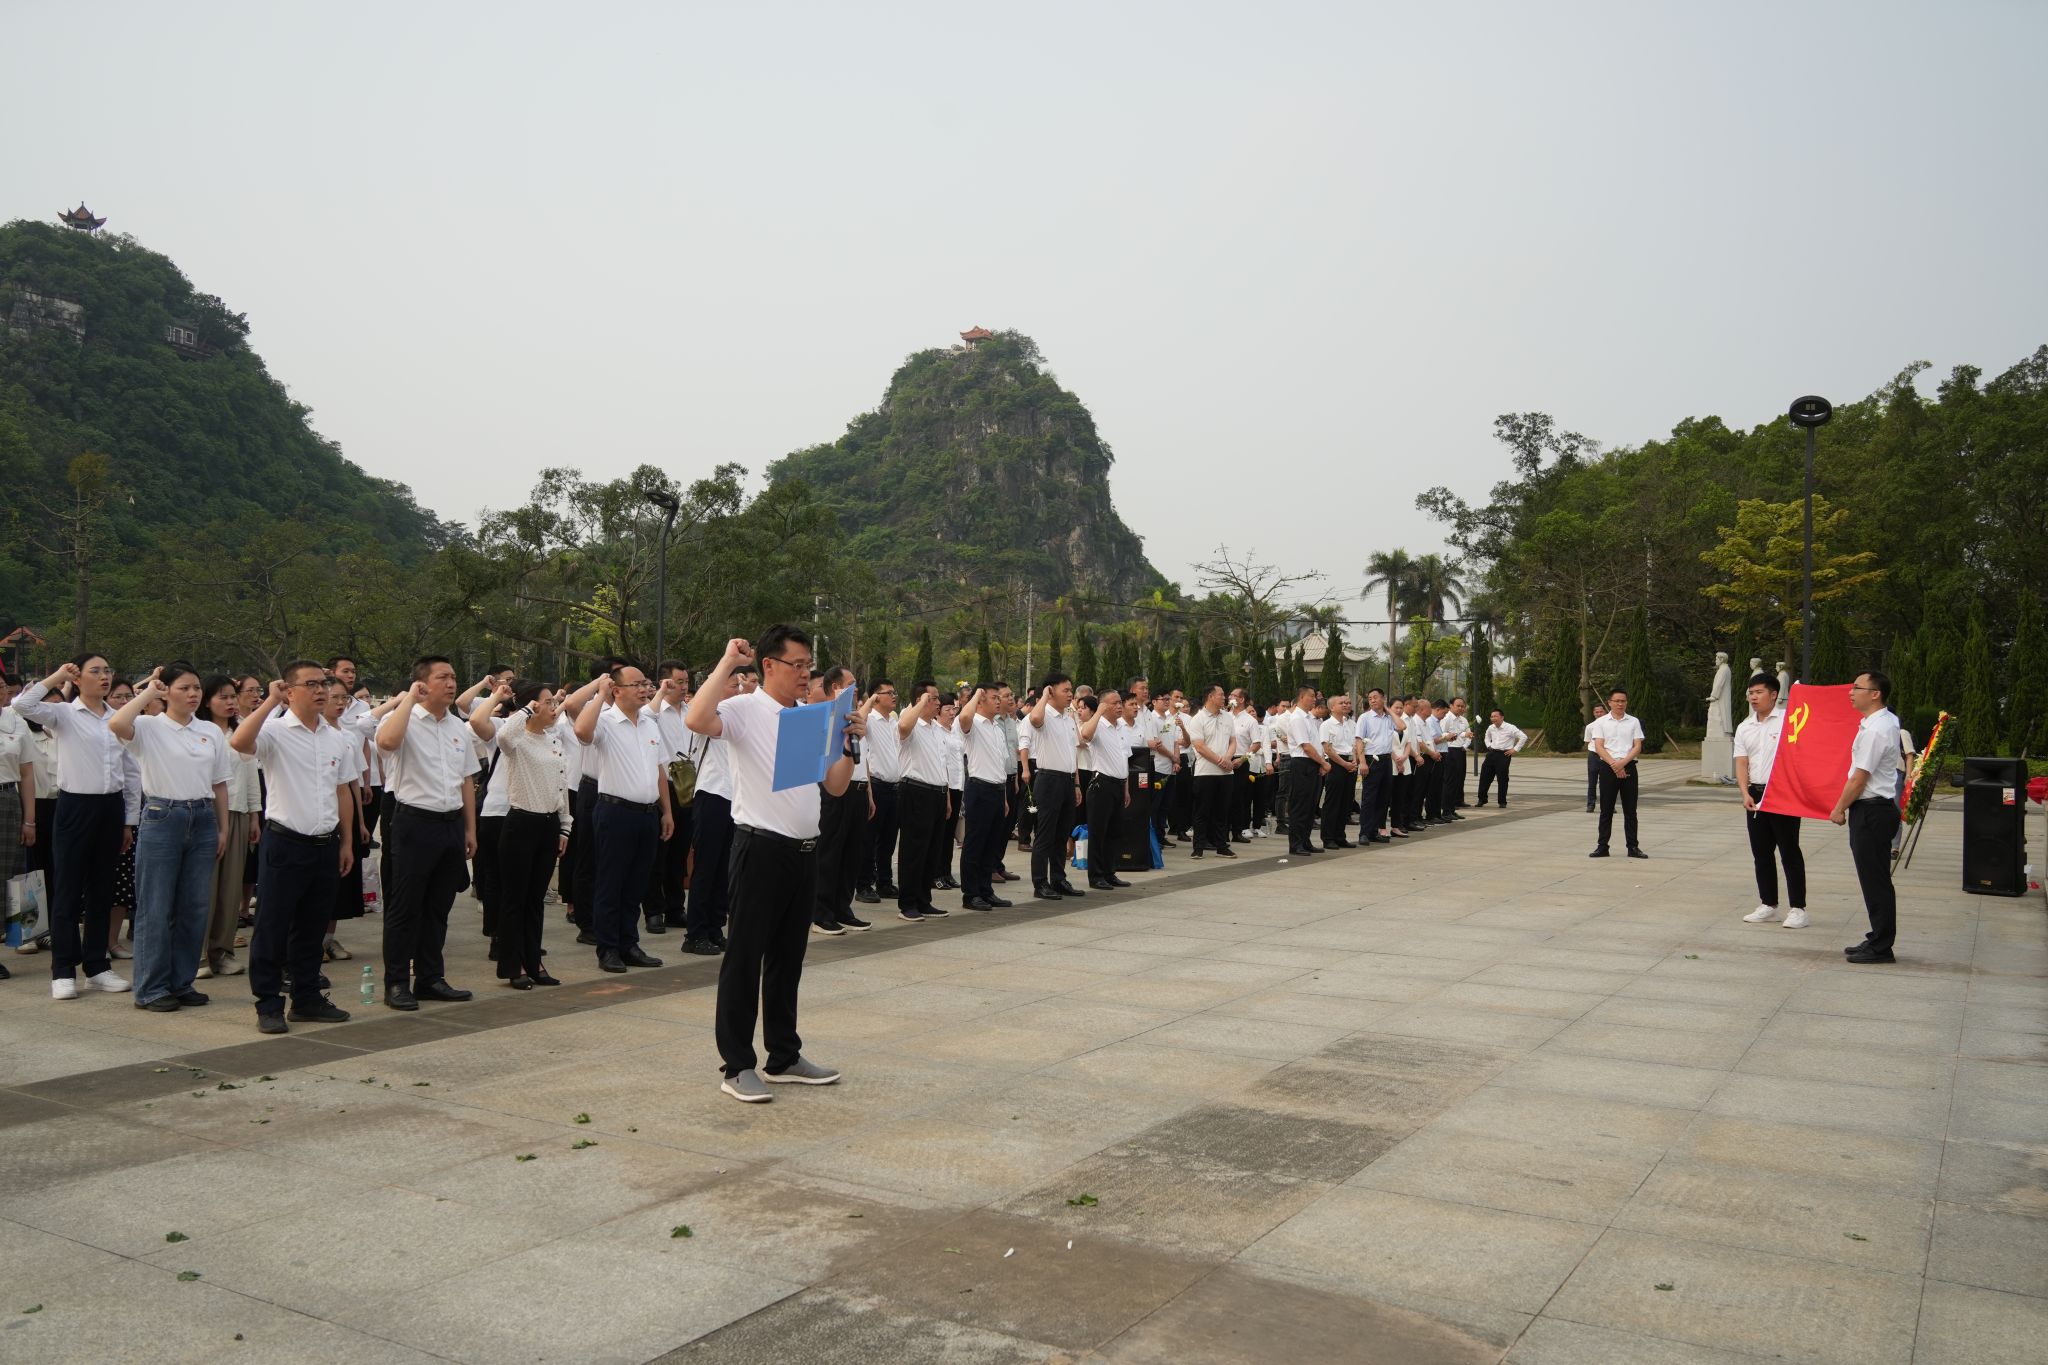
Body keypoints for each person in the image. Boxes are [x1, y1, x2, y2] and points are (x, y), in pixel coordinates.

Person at [687, 627, 864, 1104]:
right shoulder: (746, 709)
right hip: (759, 849)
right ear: (769, 665)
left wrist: (849, 745)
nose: (806, 674)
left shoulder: (808, 717)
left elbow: (835, 786)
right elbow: (696, 718)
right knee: (745, 958)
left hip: (803, 852)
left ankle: (783, 1055)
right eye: (797, 665)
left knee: (788, 960)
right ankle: (737, 1065)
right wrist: (728, 662)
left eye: (808, 665)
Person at [231, 664, 357, 1034]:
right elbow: (239, 743)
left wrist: (347, 841)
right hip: (285, 842)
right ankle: (268, 1003)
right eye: (311, 684)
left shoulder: (336, 737)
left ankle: (307, 998)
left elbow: (342, 791)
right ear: (290, 690)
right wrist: (270, 701)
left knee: (312, 927)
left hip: (325, 844)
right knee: (272, 926)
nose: (321, 690)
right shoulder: (274, 731)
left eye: (324, 684)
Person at [11, 656, 138, 1000]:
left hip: (111, 808)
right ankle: (63, 969)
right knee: (67, 888)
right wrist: (57, 676)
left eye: (108, 671)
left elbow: (131, 772)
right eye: (95, 671)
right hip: (75, 806)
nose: (104, 677)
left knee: (102, 889)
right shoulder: (64, 714)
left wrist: (129, 821)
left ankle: (96, 967)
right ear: (78, 679)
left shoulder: (118, 718)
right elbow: (22, 704)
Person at [108, 665, 231, 1012]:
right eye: (184, 688)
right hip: (162, 816)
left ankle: (181, 981)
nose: (193, 694)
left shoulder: (210, 730)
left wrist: (223, 829)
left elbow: (220, 783)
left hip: (203, 816)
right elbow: (116, 723)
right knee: (156, 906)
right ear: (167, 691)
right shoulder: (149, 726)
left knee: (194, 906)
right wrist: (150, 690)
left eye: (197, 688)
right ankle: (151, 988)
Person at [375, 655, 481, 1008]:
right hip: (414, 823)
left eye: (453, 677)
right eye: (442, 677)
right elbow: (386, 743)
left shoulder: (457, 727)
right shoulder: (401, 718)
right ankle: (396, 983)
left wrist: (470, 828)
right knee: (405, 908)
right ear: (422, 683)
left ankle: (430, 977)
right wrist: (409, 699)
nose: (451, 684)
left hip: (450, 823)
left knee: (438, 907)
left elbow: (466, 779)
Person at [572, 660, 674, 974]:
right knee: (611, 883)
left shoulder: (649, 724)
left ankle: (629, 944)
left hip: (647, 814)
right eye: (637, 684)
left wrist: (667, 811)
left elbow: (659, 770)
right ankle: (608, 948)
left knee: (636, 884)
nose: (645, 689)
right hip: (615, 812)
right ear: (616, 690)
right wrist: (600, 695)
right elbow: (581, 730)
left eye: (646, 684)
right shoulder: (605, 721)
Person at [471, 679, 571, 987]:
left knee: (535, 900)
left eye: (554, 702)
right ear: (533, 706)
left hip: (548, 823)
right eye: (548, 702)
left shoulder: (553, 741)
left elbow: (561, 785)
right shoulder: (516, 740)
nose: (554, 708)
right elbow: (503, 735)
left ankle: (533, 960)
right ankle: (513, 966)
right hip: (520, 823)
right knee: (514, 898)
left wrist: (565, 825)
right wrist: (526, 709)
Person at [1833, 670, 1903, 964]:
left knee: (1875, 880)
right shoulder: (1883, 721)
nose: (1851, 692)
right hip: (1877, 808)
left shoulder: (1876, 729)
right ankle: (1877, 937)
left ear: (1875, 694)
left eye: (1857, 688)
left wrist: (1839, 808)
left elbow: (1859, 778)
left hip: (1872, 810)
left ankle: (1881, 946)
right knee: (1875, 878)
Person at [1734, 673, 1807, 929]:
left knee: (1789, 851)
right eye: (1751, 693)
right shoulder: (1745, 726)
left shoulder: (1789, 721)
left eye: (1759, 692)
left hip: (1783, 793)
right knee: (1761, 852)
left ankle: (1798, 908)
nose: (1753, 697)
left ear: (1774, 694)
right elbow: (1741, 762)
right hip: (1755, 793)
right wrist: (1745, 793)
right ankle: (1769, 904)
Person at [810, 667, 873, 934]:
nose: (856, 688)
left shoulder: (855, 718)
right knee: (830, 852)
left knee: (852, 853)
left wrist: (869, 793)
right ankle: (822, 912)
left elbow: (864, 758)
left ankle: (843, 908)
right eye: (851, 684)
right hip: (833, 790)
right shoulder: (825, 717)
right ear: (835, 687)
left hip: (858, 790)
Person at [684, 667, 738, 955]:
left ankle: (715, 928)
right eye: (732, 684)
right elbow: (696, 713)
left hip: (734, 797)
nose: (738, 689)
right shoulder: (707, 712)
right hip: (711, 794)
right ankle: (695, 933)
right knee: (706, 867)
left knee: (724, 869)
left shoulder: (738, 713)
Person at [892, 681, 950, 922]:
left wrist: (946, 797)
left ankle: (924, 900)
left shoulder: (937, 729)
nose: (938, 702)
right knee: (913, 850)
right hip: (916, 791)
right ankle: (907, 904)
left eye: (937, 698)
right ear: (920, 700)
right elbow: (904, 726)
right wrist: (921, 702)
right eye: (933, 698)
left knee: (931, 851)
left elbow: (942, 765)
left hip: (938, 793)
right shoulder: (910, 722)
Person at [1025, 673, 1083, 901]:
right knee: (1045, 835)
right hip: (1048, 780)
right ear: (1050, 691)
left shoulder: (1068, 719)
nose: (1070, 694)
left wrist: (1076, 783)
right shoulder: (1044, 713)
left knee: (1062, 834)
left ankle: (1059, 879)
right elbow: (1034, 719)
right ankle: (1040, 882)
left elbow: (1073, 754)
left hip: (1067, 780)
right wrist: (1044, 696)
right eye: (1065, 690)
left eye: (1071, 690)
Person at [955, 682, 1013, 911]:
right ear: (980, 700)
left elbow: (1000, 766)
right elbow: (963, 717)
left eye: (1000, 697)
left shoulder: (996, 728)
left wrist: (1004, 797)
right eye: (994, 697)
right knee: (975, 843)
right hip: (979, 788)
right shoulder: (973, 723)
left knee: (991, 844)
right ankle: (971, 894)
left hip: (997, 789)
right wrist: (977, 693)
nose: (999, 701)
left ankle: (986, 890)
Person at [0, 669, 37, 980]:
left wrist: (29, 820)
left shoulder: (15, 722)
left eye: (1, 686)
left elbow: (26, 774)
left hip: (7, 802)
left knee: (6, 878)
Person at [1078, 690, 1132, 889]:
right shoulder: (1097, 725)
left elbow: (1125, 760)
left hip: (1119, 784)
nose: (1119, 706)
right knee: (1098, 832)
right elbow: (1085, 734)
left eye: (1120, 702)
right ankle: (1096, 875)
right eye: (1114, 703)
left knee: (1115, 832)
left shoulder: (1122, 727)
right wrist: (1098, 712)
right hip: (1102, 784)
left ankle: (1110, 872)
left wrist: (1126, 788)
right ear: (1103, 705)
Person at [1588, 688, 1647, 859]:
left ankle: (1633, 847)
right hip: (1608, 767)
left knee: (1631, 810)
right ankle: (1602, 847)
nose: (1620, 704)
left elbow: (1637, 746)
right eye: (1617, 701)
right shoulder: (1601, 722)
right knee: (1606, 809)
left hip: (1629, 766)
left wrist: (1623, 763)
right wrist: (1615, 765)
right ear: (1610, 702)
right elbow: (1599, 746)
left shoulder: (1633, 721)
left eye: (1623, 701)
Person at [1184, 684, 1238, 858]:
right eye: (1221, 695)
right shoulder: (1198, 719)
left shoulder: (1228, 717)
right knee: (1202, 811)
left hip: (1226, 773)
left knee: (1222, 811)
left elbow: (1233, 741)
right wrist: (1220, 761)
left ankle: (1221, 845)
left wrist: (1227, 758)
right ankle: (1198, 847)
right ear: (1210, 697)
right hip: (1205, 772)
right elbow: (1199, 746)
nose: (1225, 698)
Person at [1283, 685, 1327, 855]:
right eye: (1311, 696)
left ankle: (1305, 840)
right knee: (1300, 805)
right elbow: (1306, 747)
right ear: (1301, 697)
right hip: (1302, 763)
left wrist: (1320, 763)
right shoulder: (1297, 718)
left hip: (1313, 763)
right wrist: (1323, 763)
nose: (1314, 699)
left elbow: (1315, 744)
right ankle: (1296, 844)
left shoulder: (1309, 718)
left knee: (1310, 805)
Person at [1356, 689, 1397, 843]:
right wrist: (1362, 762)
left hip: (1386, 759)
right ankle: (1364, 832)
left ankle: (1374, 831)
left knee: (1383, 797)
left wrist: (1388, 710)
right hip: (1372, 759)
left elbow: (1402, 726)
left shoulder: (1389, 718)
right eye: (1370, 698)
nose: (1372, 700)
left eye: (1375, 697)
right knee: (1369, 798)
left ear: (1383, 698)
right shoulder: (1365, 718)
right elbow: (1359, 740)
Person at [1319, 693, 1359, 848]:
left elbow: (1354, 744)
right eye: (1342, 703)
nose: (1346, 705)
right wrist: (1344, 764)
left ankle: (1340, 836)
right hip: (1336, 763)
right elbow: (1328, 749)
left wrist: (1354, 760)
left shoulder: (1351, 724)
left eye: (1347, 703)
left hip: (1350, 762)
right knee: (1333, 802)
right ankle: (1328, 837)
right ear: (1332, 707)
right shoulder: (1327, 725)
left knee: (1346, 801)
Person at [1477, 708, 1525, 808]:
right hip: (1491, 753)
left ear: (1502, 717)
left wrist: (1515, 749)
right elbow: (1486, 737)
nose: (1493, 718)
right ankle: (1482, 799)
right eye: (1492, 716)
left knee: (1502, 779)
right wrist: (1489, 746)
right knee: (1484, 777)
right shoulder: (1491, 727)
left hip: (1504, 755)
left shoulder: (1510, 728)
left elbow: (1523, 737)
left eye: (1495, 716)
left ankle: (1502, 802)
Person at [1440, 697, 1472, 818]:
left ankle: (1452, 808)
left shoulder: (1462, 719)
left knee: (1457, 780)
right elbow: (1441, 733)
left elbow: (1466, 733)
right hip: (1449, 750)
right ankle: (1446, 810)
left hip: (1459, 750)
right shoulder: (1446, 718)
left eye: (1462, 706)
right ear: (1451, 706)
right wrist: (1458, 735)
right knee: (1449, 781)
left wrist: (1465, 741)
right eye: (1458, 705)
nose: (1460, 708)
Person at [1582, 702, 1604, 813]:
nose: (1599, 714)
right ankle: (1591, 804)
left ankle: (1608, 805)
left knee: (1607, 782)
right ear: (1594, 713)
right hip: (1593, 755)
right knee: (1592, 782)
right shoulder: (1590, 727)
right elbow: (1588, 741)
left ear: (1605, 712)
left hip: (1607, 756)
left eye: (1601, 711)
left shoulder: (1610, 726)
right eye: (1597, 712)